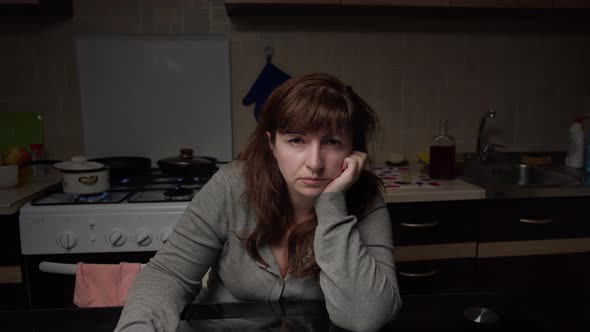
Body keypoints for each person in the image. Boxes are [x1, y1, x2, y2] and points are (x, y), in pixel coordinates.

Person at [115, 73, 401, 332]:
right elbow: (169, 274)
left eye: (332, 142)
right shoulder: (231, 186)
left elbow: (367, 316)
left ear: (353, 151)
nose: (315, 163)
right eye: (296, 140)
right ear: (271, 143)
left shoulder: (364, 197)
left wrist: (332, 203)